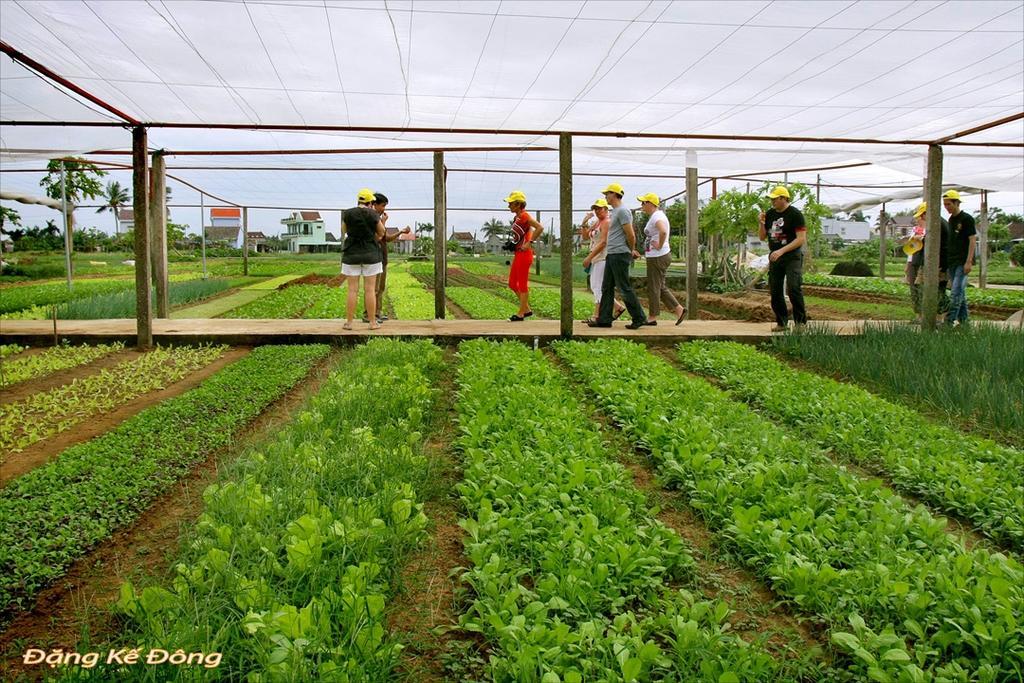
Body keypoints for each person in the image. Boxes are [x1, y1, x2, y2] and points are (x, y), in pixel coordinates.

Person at [587, 183, 649, 329]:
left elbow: (631, 234)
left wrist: (631, 250)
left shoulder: (623, 211)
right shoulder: (614, 212)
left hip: (620, 254)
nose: (605, 197)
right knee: (606, 287)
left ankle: (639, 317)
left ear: (614, 194)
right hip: (612, 253)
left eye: (607, 194)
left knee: (624, 287)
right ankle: (604, 319)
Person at [758, 185, 807, 332]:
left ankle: (800, 323)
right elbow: (762, 236)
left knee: (793, 287)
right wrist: (761, 223)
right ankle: (782, 322)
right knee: (775, 290)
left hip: (792, 256)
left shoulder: (795, 214)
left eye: (775, 199)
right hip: (775, 257)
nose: (772, 201)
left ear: (783, 198)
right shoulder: (771, 214)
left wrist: (782, 251)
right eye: (771, 199)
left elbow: (800, 239)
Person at [638, 192, 686, 326]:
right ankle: (679, 310)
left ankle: (652, 317)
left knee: (654, 287)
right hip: (659, 255)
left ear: (651, 204)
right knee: (660, 286)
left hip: (657, 256)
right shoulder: (656, 216)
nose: (642, 206)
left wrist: (659, 245)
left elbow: (663, 231)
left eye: (644, 203)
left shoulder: (657, 217)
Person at [340, 188, 385, 330]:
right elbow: (382, 232)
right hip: (370, 254)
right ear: (370, 202)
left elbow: (344, 230)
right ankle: (372, 323)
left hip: (351, 254)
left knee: (352, 290)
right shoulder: (373, 214)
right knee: (370, 290)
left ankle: (349, 323)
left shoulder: (348, 213)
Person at [363, 192, 411, 323]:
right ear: (374, 204)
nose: (384, 208)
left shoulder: (377, 219)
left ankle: (377, 313)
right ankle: (368, 315)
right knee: (372, 288)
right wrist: (383, 222)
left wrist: (400, 232)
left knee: (380, 288)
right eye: (383, 205)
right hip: (374, 258)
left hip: (382, 257)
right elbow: (379, 236)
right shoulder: (371, 218)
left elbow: (386, 238)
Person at [581, 198, 625, 324]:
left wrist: (589, 258)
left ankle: (597, 315)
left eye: (599, 208)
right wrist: (584, 222)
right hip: (596, 257)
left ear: (606, 209)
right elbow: (585, 237)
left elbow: (603, 242)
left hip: (602, 257)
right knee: (596, 286)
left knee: (597, 286)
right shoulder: (596, 222)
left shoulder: (606, 222)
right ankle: (618, 307)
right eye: (595, 209)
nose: (597, 211)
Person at [905, 202, 950, 321]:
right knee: (932, 290)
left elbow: (939, 246)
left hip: (939, 264)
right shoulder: (938, 223)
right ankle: (935, 317)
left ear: (927, 213)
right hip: (937, 264)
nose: (921, 218)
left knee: (938, 291)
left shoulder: (938, 224)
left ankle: (941, 317)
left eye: (922, 215)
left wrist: (941, 266)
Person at [504, 190, 544, 321]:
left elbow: (539, 227)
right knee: (511, 284)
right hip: (518, 253)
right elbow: (523, 233)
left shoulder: (525, 216)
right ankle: (526, 309)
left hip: (524, 254)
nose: (508, 206)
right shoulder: (517, 217)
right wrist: (513, 244)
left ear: (518, 204)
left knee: (522, 284)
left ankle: (521, 313)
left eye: (510, 203)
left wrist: (529, 242)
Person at [942, 189, 976, 326]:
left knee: (955, 292)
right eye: (945, 204)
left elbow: (972, 240)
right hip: (952, 261)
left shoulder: (967, 219)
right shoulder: (951, 220)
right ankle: (965, 322)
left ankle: (948, 322)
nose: (946, 207)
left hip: (963, 262)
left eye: (949, 204)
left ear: (957, 203)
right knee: (960, 293)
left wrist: (969, 261)